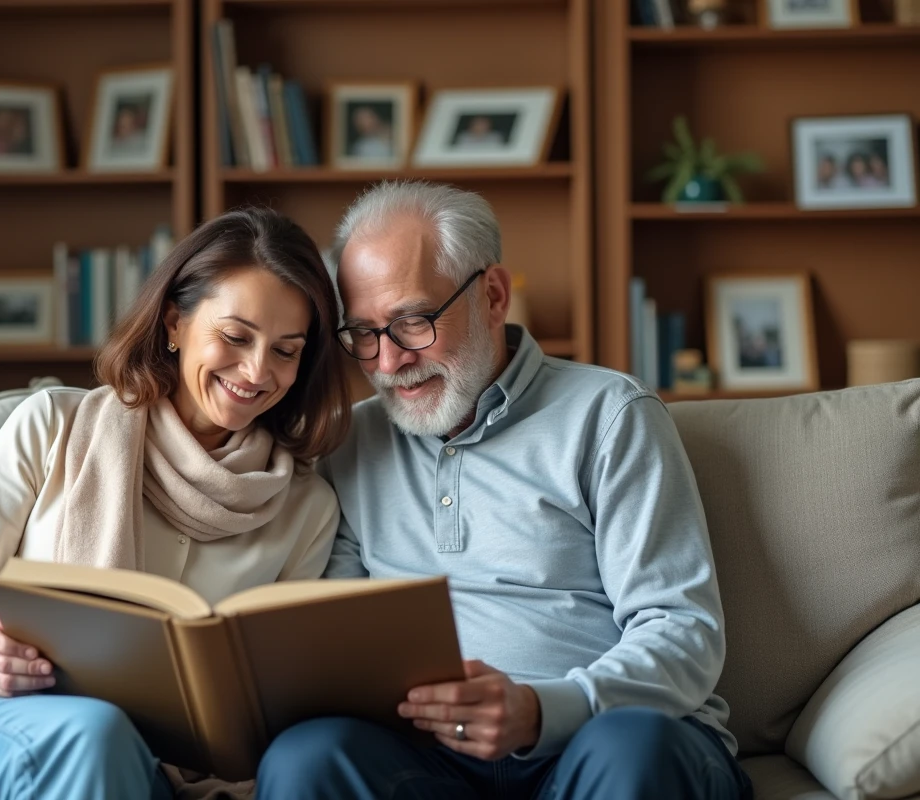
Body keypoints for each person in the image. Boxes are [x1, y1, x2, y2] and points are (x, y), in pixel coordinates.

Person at [256, 181, 752, 800]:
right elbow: (342, 635)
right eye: (363, 334)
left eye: (412, 322)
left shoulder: (610, 415)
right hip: (430, 760)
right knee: (306, 759)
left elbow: (682, 628)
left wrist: (541, 710)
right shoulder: (350, 443)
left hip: (596, 739)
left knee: (633, 751)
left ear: (492, 295)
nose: (387, 364)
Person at [0, 208, 350, 800]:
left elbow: (271, 701)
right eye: (235, 336)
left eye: (286, 350)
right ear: (174, 322)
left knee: (108, 741)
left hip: (155, 774)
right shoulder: (54, 426)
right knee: (96, 733)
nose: (255, 371)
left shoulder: (307, 508)